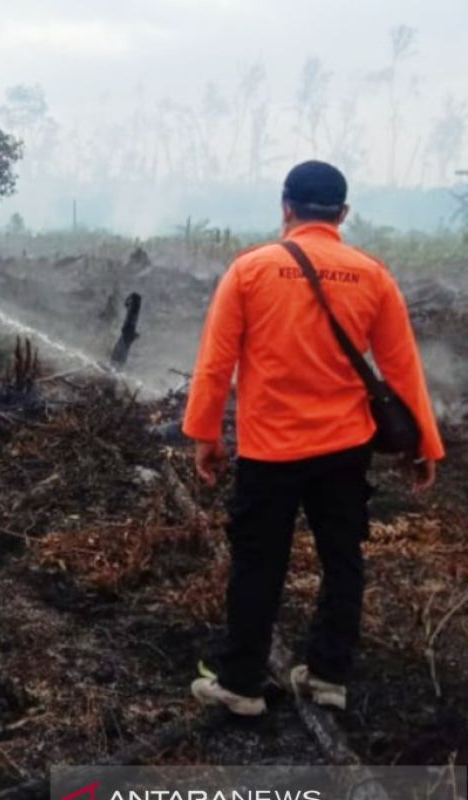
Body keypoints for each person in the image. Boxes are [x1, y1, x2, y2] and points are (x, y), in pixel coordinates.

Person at [183, 160, 445, 716]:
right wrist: (427, 444)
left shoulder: (250, 270)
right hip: (345, 450)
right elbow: (402, 369)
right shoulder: (372, 274)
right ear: (343, 213)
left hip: (268, 451)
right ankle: (329, 676)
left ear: (285, 206)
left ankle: (241, 685)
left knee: (259, 563)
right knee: (342, 557)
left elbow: (215, 364)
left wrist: (206, 434)